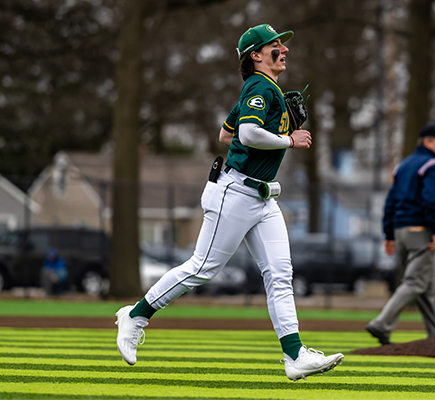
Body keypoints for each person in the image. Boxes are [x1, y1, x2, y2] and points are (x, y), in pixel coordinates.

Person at [115, 23, 343, 382]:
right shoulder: (258, 86)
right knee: (202, 268)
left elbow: (226, 133)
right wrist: (288, 139)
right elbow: (249, 134)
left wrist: (275, 126)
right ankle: (135, 315)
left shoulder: (264, 89)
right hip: (235, 192)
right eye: (275, 46)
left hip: (263, 196)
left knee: (280, 275)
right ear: (255, 55)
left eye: (283, 45)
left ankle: (295, 355)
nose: (283, 50)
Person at [366, 122, 435, 345]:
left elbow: (391, 202)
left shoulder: (403, 166)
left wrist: (390, 234)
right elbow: (432, 201)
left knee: (426, 286)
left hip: (401, 230)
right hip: (420, 230)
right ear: (428, 141)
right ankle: (381, 324)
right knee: (415, 282)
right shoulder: (432, 166)